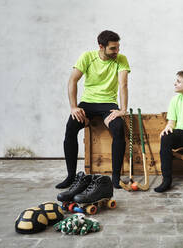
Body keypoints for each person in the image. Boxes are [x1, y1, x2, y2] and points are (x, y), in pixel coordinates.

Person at [56, 30, 130, 189]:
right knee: (70, 128)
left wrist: (122, 110)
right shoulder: (87, 57)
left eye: (118, 47)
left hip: (108, 104)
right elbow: (72, 80)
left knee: (118, 128)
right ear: (101, 47)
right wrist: (74, 107)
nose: (117, 51)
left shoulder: (121, 59)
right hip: (88, 103)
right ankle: (71, 176)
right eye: (112, 48)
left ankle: (115, 178)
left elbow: (123, 84)